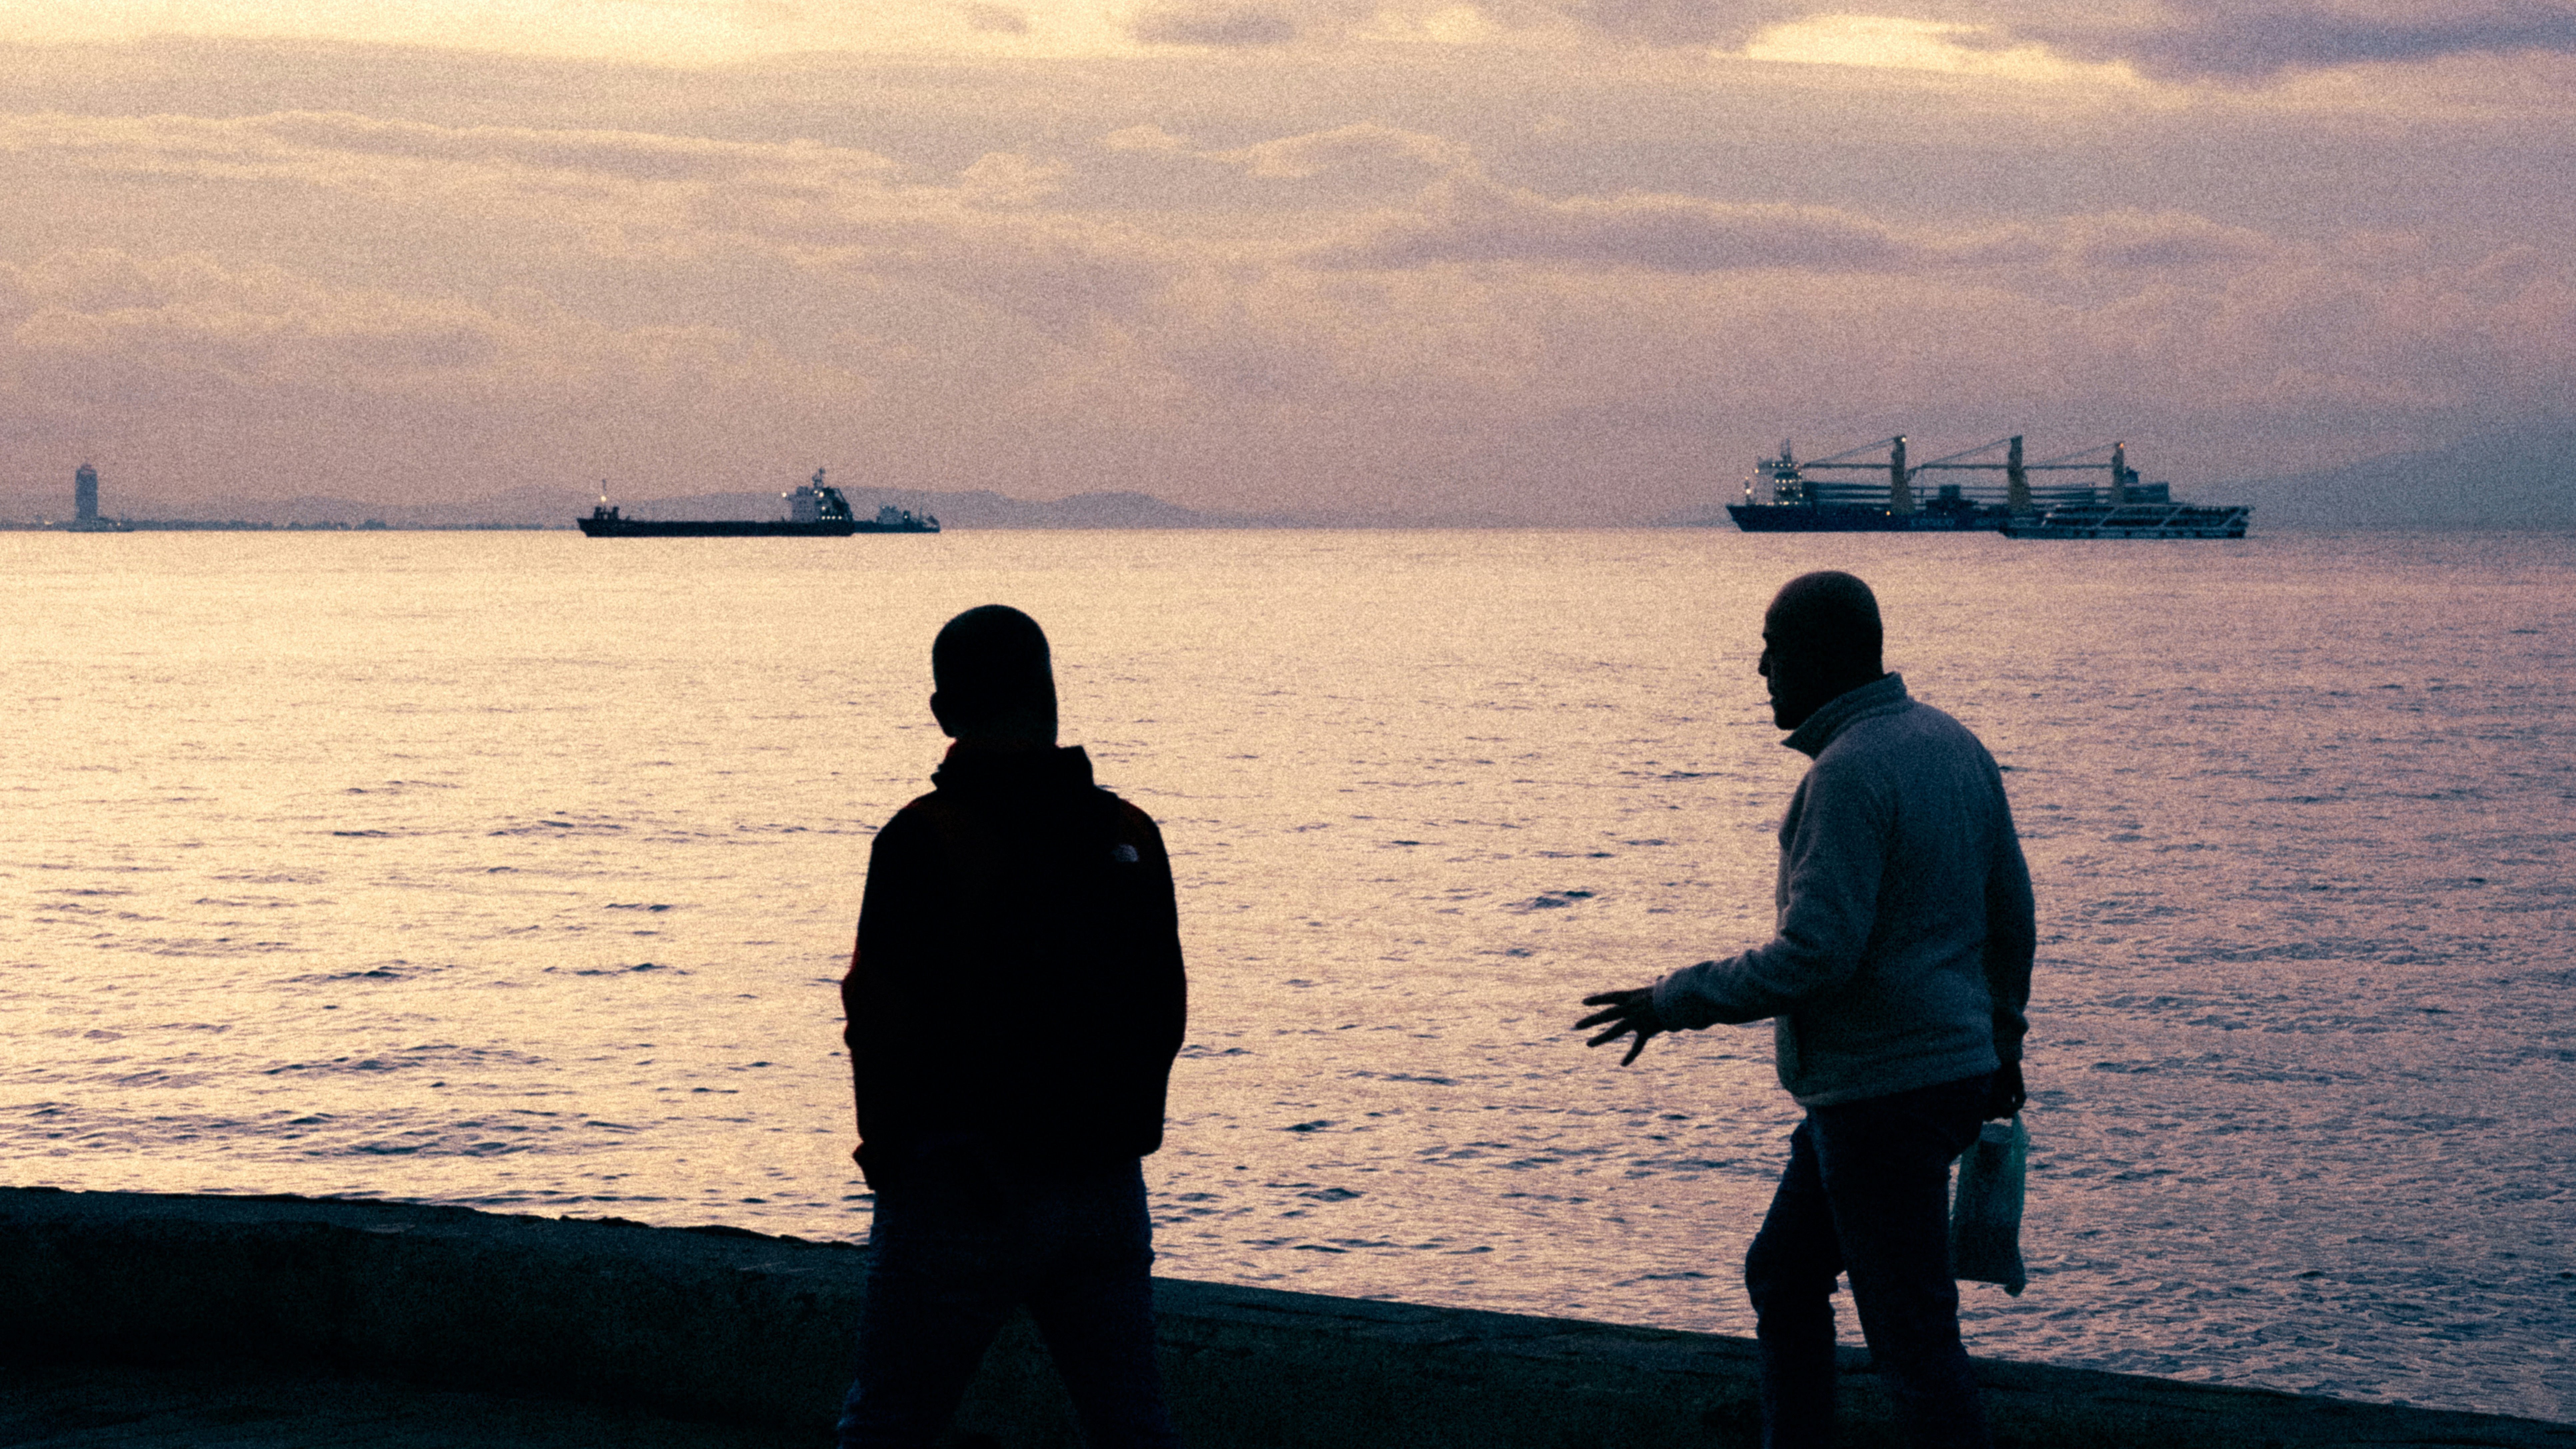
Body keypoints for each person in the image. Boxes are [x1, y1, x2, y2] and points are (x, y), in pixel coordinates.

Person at [1575, 570, 2033, 1449]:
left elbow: (1819, 955)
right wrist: (2003, 1043)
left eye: (1775, 648)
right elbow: (2012, 913)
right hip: (1936, 1075)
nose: (1760, 668)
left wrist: (1672, 999)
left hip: (1880, 1091)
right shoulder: (1952, 743)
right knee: (1785, 1274)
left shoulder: (1849, 774)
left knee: (1910, 1333)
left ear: (1823, 656)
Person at [835, 604, 1187, 1449]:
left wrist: (893, 1163)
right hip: (1103, 1183)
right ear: (1051, 693)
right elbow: (1165, 1009)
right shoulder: (1130, 832)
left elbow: (878, 1018)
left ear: (943, 712)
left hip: (963, 1182)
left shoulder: (923, 838)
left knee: (889, 1425)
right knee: (1132, 1425)